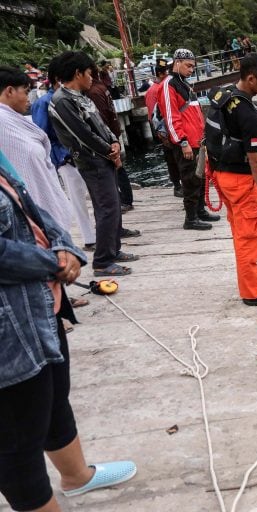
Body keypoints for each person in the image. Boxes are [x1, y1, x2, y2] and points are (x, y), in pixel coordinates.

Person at [0, 154, 137, 512]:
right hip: (8, 327)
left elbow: (30, 206)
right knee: (16, 439)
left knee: (53, 394)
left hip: (41, 304)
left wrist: (65, 246)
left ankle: (77, 476)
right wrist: (54, 263)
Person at [48, 51, 134, 276]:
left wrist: (114, 142)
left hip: (104, 159)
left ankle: (113, 250)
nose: (92, 78)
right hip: (92, 162)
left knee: (112, 206)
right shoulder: (62, 100)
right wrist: (108, 151)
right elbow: (82, 134)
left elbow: (102, 125)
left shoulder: (81, 96)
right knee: (106, 208)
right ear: (77, 73)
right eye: (88, 73)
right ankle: (103, 261)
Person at [209, 53, 257, 306]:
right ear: (251, 79)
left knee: (239, 229)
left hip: (221, 175)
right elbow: (256, 161)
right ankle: (251, 293)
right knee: (248, 235)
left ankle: (253, 274)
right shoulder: (248, 114)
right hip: (239, 180)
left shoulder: (225, 94)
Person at [29, 57, 97, 252]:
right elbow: (41, 134)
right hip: (65, 156)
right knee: (77, 197)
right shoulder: (44, 102)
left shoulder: (71, 97)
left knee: (91, 193)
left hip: (80, 154)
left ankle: (99, 232)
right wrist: (57, 158)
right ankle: (89, 237)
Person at [0, 66, 73, 232]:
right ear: (9, 91)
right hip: (27, 212)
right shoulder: (3, 122)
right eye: (25, 92)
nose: (29, 99)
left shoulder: (15, 120)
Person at [158, 48, 220, 230]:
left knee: (200, 178)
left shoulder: (183, 83)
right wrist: (182, 142)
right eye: (188, 66)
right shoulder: (169, 85)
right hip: (186, 143)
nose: (192, 69)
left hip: (197, 142)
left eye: (193, 66)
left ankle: (200, 211)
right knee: (190, 179)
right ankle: (190, 219)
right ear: (177, 63)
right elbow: (171, 117)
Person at [86, 65, 136, 215]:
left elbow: (100, 118)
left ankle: (125, 200)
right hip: (112, 133)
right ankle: (126, 199)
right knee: (118, 167)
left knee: (117, 168)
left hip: (107, 135)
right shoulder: (102, 87)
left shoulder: (93, 91)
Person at [144, 58, 182, 197]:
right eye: (167, 72)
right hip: (165, 131)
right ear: (161, 74)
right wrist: (162, 135)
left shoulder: (166, 87)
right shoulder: (156, 90)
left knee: (176, 158)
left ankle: (179, 184)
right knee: (172, 160)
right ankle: (177, 186)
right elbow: (154, 116)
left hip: (172, 128)